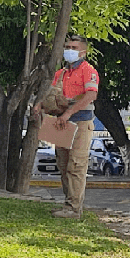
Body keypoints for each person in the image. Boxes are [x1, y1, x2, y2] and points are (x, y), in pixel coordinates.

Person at [33, 35, 99, 219]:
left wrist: (68, 113)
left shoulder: (89, 71)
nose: (69, 50)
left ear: (83, 52)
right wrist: (40, 106)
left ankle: (74, 209)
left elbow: (90, 96)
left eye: (73, 47)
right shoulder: (61, 73)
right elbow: (51, 95)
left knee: (76, 165)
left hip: (80, 122)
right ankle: (68, 204)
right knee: (63, 165)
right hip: (61, 123)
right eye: (67, 46)